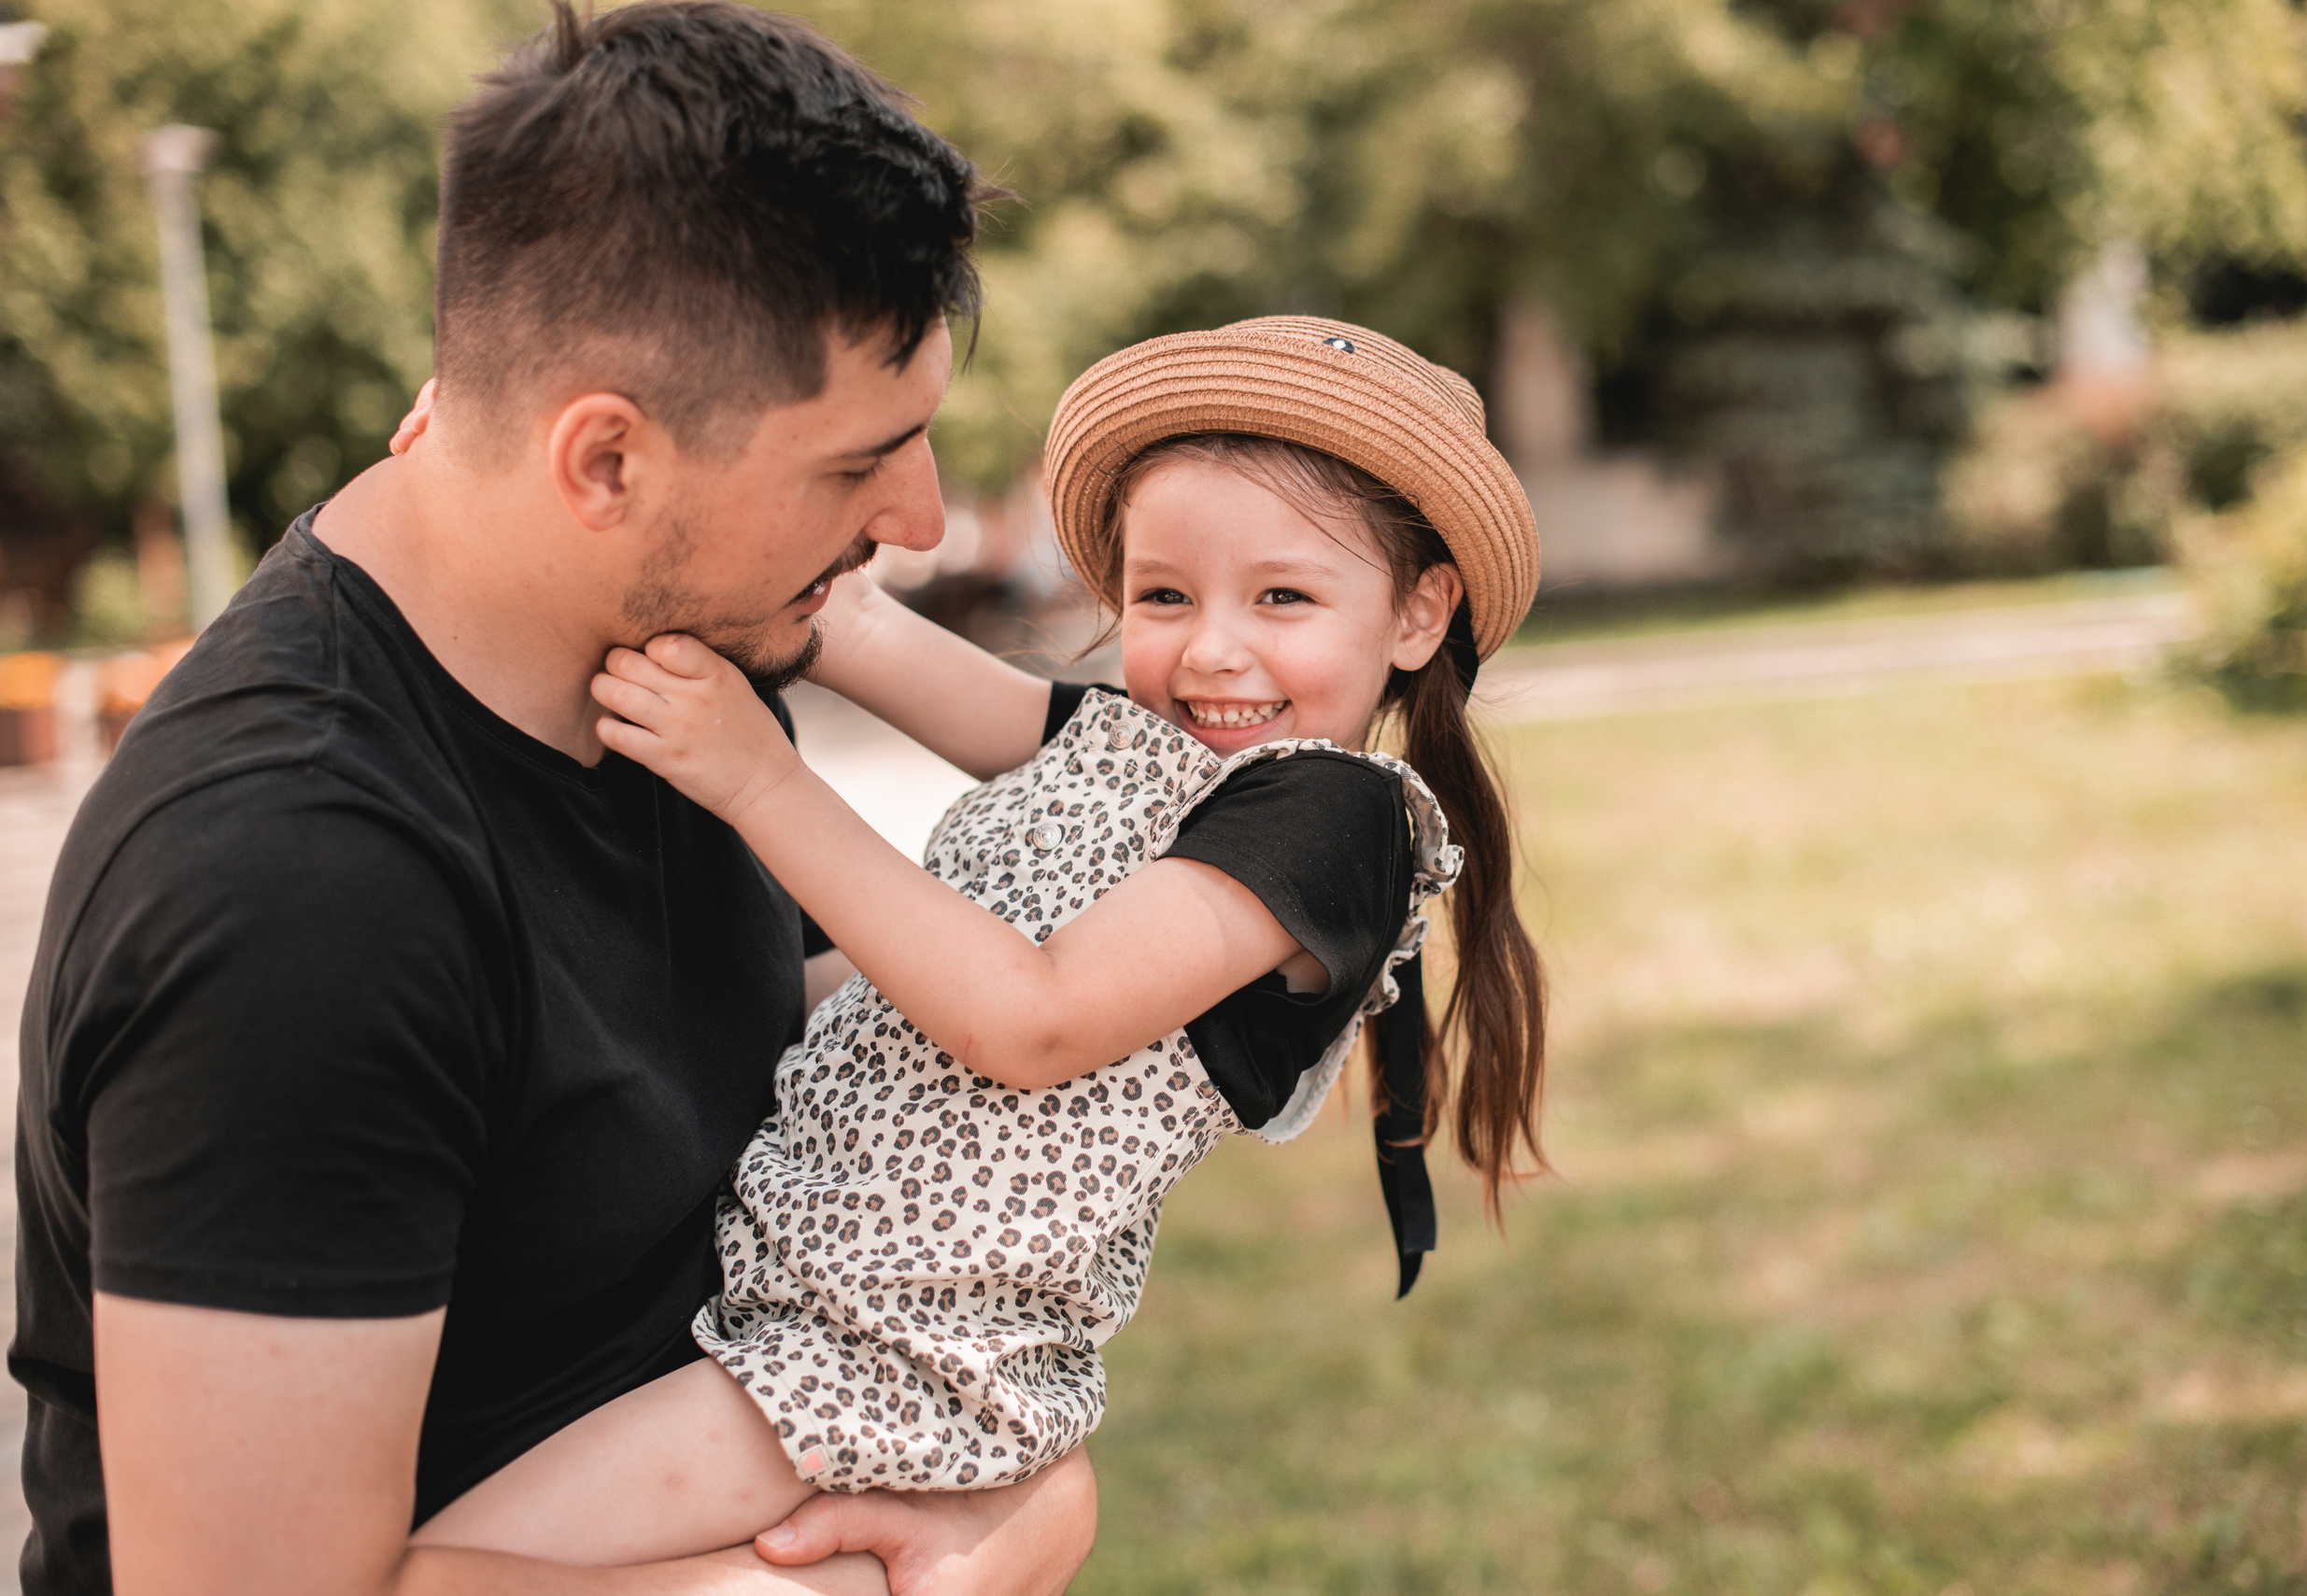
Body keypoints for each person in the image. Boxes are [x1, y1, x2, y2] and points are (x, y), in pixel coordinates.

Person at [9, 5, 1097, 1593]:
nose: (921, 519)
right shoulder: (294, 887)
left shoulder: (677, 675)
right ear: (601, 464)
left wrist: (1025, 1488)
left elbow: (865, 1074)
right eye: (862, 459)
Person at [402, 316, 1552, 1564]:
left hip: (879, 1349)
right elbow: (853, 630)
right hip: (774, 1263)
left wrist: (754, 778)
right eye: (1164, 594)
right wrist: (535, 469)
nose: (1212, 646)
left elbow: (1034, 1018)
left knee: (406, 1575)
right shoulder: (1124, 745)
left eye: (1283, 595)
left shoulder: (1337, 818)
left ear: (1418, 613)